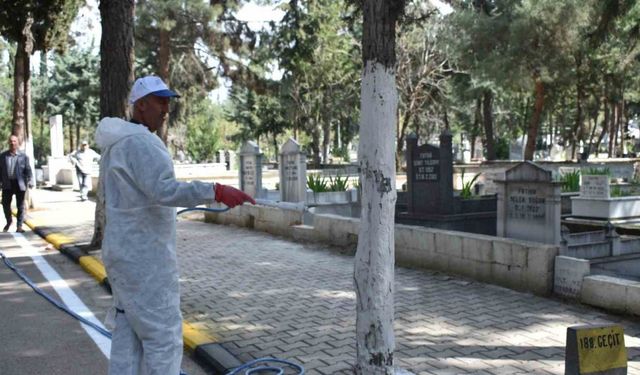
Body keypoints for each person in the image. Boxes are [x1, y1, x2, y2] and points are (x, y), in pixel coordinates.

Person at [95, 75, 255, 375]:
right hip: (145, 260)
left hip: (122, 254)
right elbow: (164, 190)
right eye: (160, 101)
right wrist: (215, 191)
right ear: (140, 105)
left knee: (128, 330)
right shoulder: (141, 142)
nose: (166, 108)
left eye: (168, 101)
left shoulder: (115, 143)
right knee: (163, 337)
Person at [0, 135, 33, 233]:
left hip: (20, 184)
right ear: (8, 142)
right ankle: (9, 221)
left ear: (17, 143)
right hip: (7, 184)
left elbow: (28, 170)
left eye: (14, 141)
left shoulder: (23, 156)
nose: (12, 143)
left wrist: (30, 180)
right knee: (5, 204)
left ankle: (19, 226)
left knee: (20, 206)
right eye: (10, 141)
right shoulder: (3, 156)